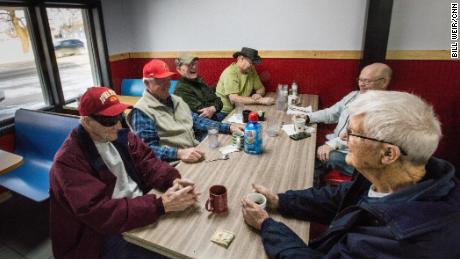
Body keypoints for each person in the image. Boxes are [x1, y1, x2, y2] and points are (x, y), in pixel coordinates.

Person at [242, 90, 460, 258]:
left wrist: (267, 226)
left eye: (354, 132)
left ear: (388, 154)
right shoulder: (396, 174)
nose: (343, 136)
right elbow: (342, 197)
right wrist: (280, 201)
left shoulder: (400, 241)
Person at [49, 87, 200, 259]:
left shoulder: (121, 135)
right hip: (98, 234)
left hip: (138, 208)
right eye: (108, 120)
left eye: (119, 116)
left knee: (188, 232)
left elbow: (148, 162)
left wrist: (172, 180)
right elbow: (99, 212)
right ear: (86, 121)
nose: (118, 125)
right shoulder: (68, 161)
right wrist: (160, 205)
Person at [128, 59, 242, 163]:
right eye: (160, 81)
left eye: (167, 79)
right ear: (147, 83)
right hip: (175, 163)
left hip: (195, 151)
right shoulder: (141, 111)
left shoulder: (175, 100)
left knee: (236, 159)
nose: (166, 84)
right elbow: (148, 151)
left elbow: (198, 121)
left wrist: (228, 127)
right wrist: (179, 153)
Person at [307, 63, 392, 186]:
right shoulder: (354, 95)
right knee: (312, 152)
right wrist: (308, 117)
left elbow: (364, 139)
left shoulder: (384, 107)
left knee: (320, 156)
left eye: (367, 81)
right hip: (337, 144)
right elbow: (331, 113)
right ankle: (316, 182)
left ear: (384, 82)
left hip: (356, 155)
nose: (361, 84)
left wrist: (331, 145)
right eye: (360, 80)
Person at [215, 47, 275, 114]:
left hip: (242, 108)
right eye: (250, 63)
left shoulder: (251, 70)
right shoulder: (230, 72)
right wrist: (260, 101)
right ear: (241, 59)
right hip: (226, 112)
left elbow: (261, 88)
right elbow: (234, 99)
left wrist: (258, 94)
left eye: (253, 64)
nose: (252, 66)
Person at [173, 53, 226, 122]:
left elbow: (219, 102)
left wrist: (212, 108)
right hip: (201, 127)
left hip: (215, 118)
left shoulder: (199, 81)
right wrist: (214, 107)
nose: (194, 67)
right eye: (189, 64)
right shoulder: (181, 89)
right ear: (179, 69)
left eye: (195, 63)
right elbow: (203, 113)